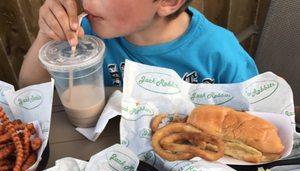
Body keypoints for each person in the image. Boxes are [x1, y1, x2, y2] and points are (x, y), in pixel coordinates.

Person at [19, 0, 258, 88]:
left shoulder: (220, 52)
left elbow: (256, 115)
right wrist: (48, 36)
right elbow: (29, 90)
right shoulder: (84, 35)